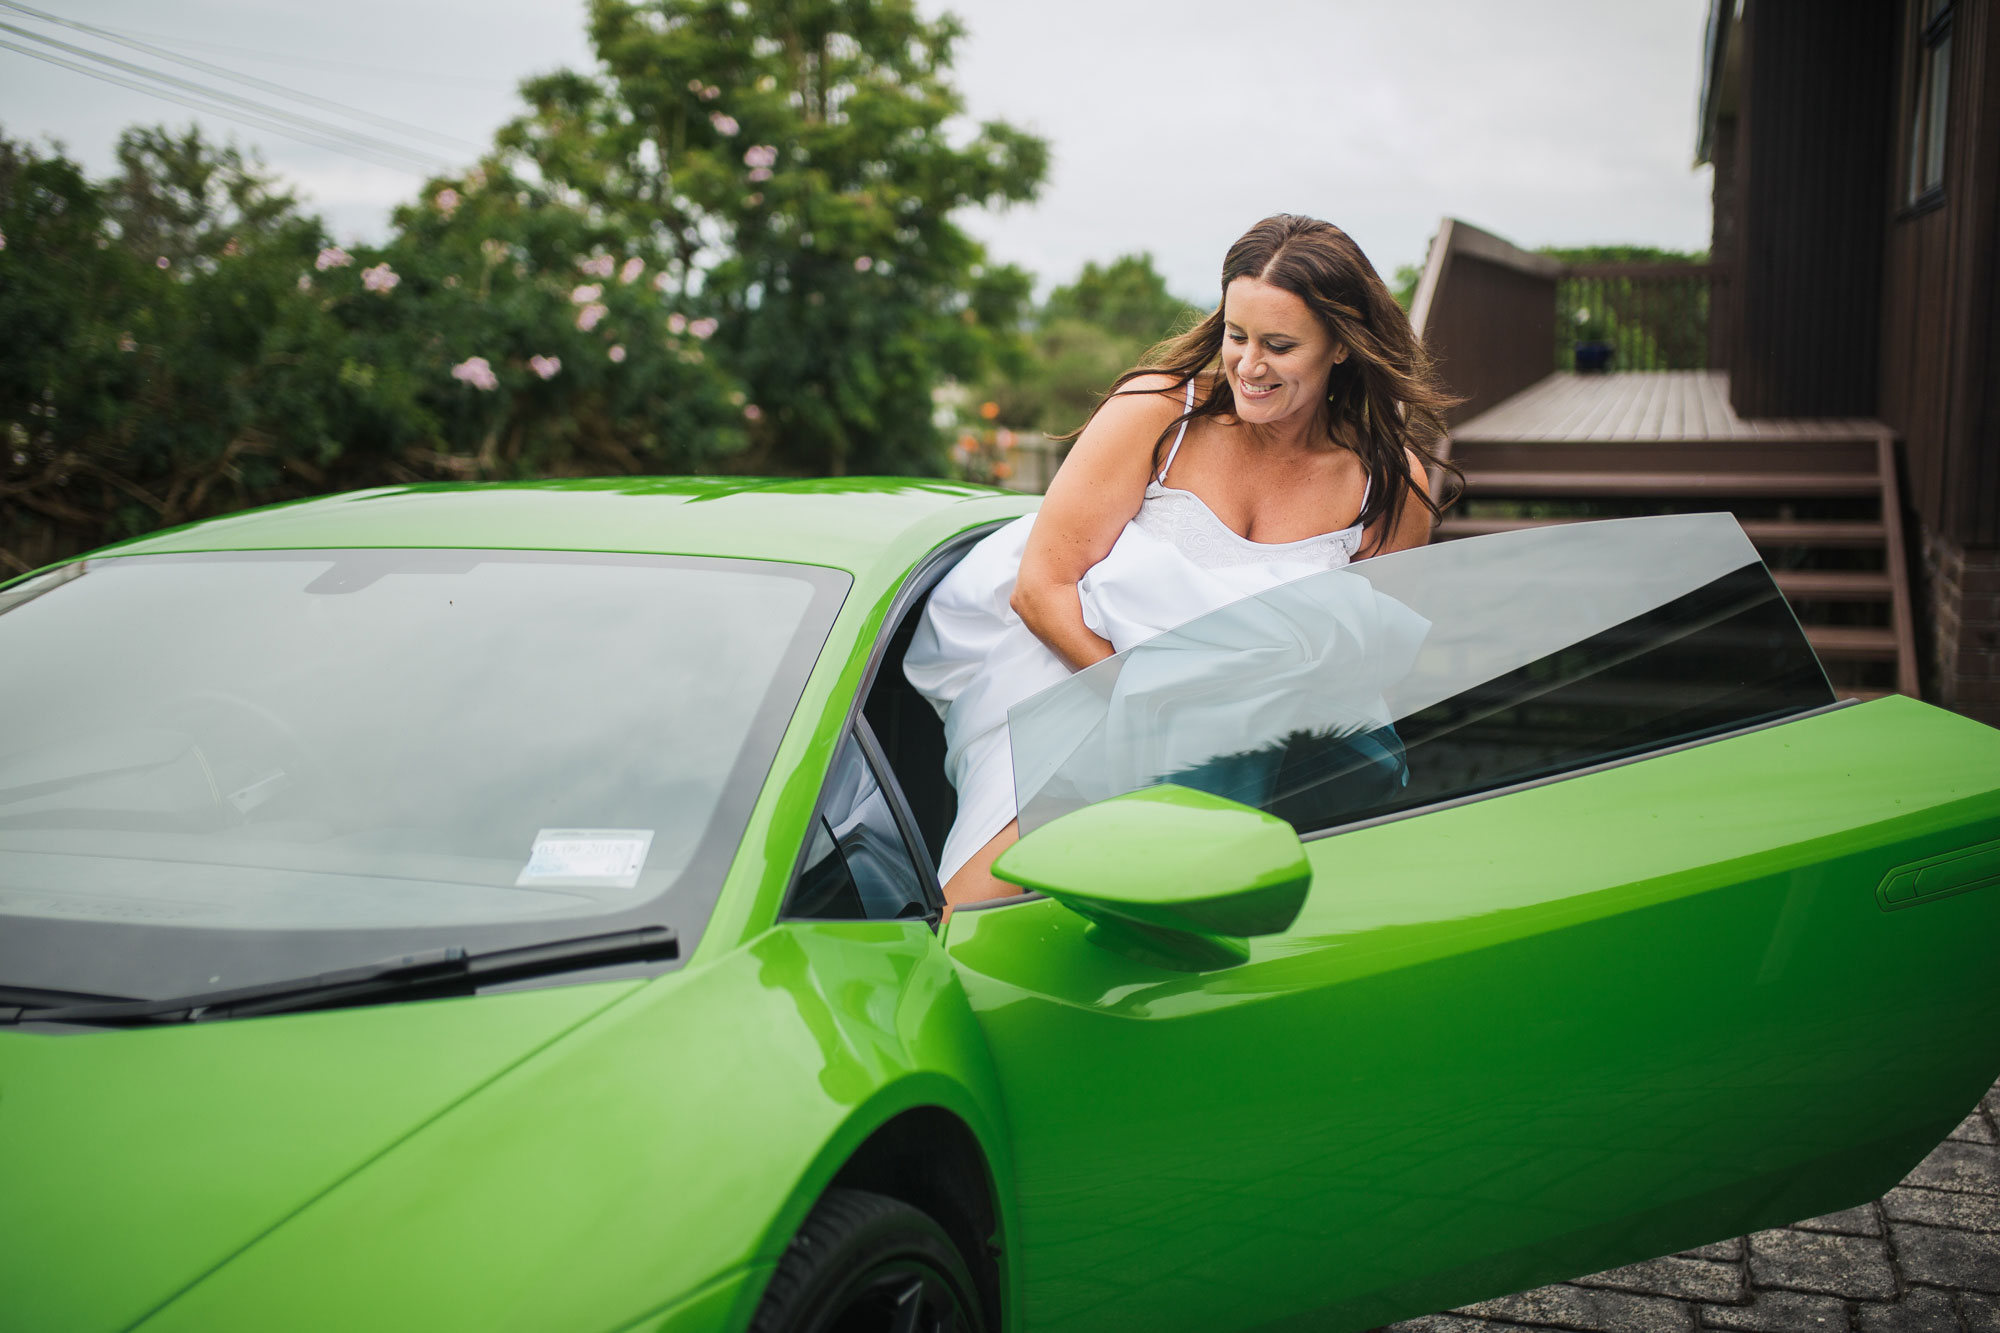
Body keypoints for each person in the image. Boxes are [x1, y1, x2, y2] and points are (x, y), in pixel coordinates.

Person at [904, 213, 1459, 911]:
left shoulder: (1387, 480)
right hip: (1081, 682)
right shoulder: (1160, 412)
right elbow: (1041, 590)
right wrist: (1158, 709)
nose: (1249, 366)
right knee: (980, 906)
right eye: (1236, 335)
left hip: (1261, 745)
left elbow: (1376, 661)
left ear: (1340, 349)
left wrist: (1230, 724)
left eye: (1279, 345)